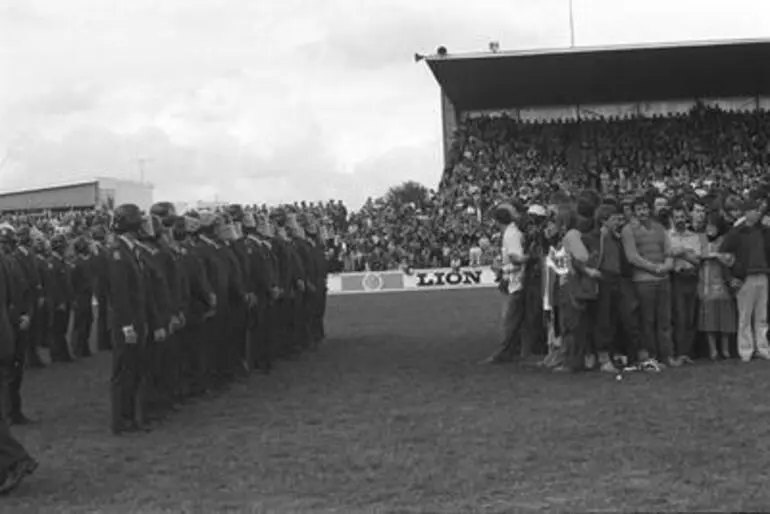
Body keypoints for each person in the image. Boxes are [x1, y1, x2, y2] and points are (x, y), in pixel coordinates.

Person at [108, 204, 149, 435]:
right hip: (127, 323)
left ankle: (130, 417)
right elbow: (120, 293)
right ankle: (121, 420)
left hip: (136, 319)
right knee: (123, 372)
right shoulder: (117, 252)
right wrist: (126, 325)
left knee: (134, 370)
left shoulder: (130, 249)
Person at [720, 199, 770, 362]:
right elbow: (724, 255)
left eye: (758, 210)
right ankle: (745, 350)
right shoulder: (736, 232)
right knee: (745, 316)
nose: (757, 213)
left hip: (762, 274)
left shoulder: (764, 231)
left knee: (762, 316)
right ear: (746, 212)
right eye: (754, 210)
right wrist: (730, 277)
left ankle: (762, 348)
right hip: (745, 276)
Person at [484, 202, 527, 364]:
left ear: (497, 221)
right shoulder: (512, 233)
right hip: (514, 281)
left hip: (515, 282)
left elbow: (517, 259)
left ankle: (504, 352)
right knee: (512, 319)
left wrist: (503, 269)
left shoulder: (511, 235)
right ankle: (512, 350)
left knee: (509, 320)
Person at [698, 213, 736, 360]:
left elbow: (730, 259)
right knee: (709, 318)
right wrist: (711, 255)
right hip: (705, 283)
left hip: (722, 283)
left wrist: (718, 256)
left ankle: (725, 349)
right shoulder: (700, 239)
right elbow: (698, 255)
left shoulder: (725, 240)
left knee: (724, 317)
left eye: (713, 226)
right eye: (708, 226)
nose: (710, 229)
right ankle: (712, 349)